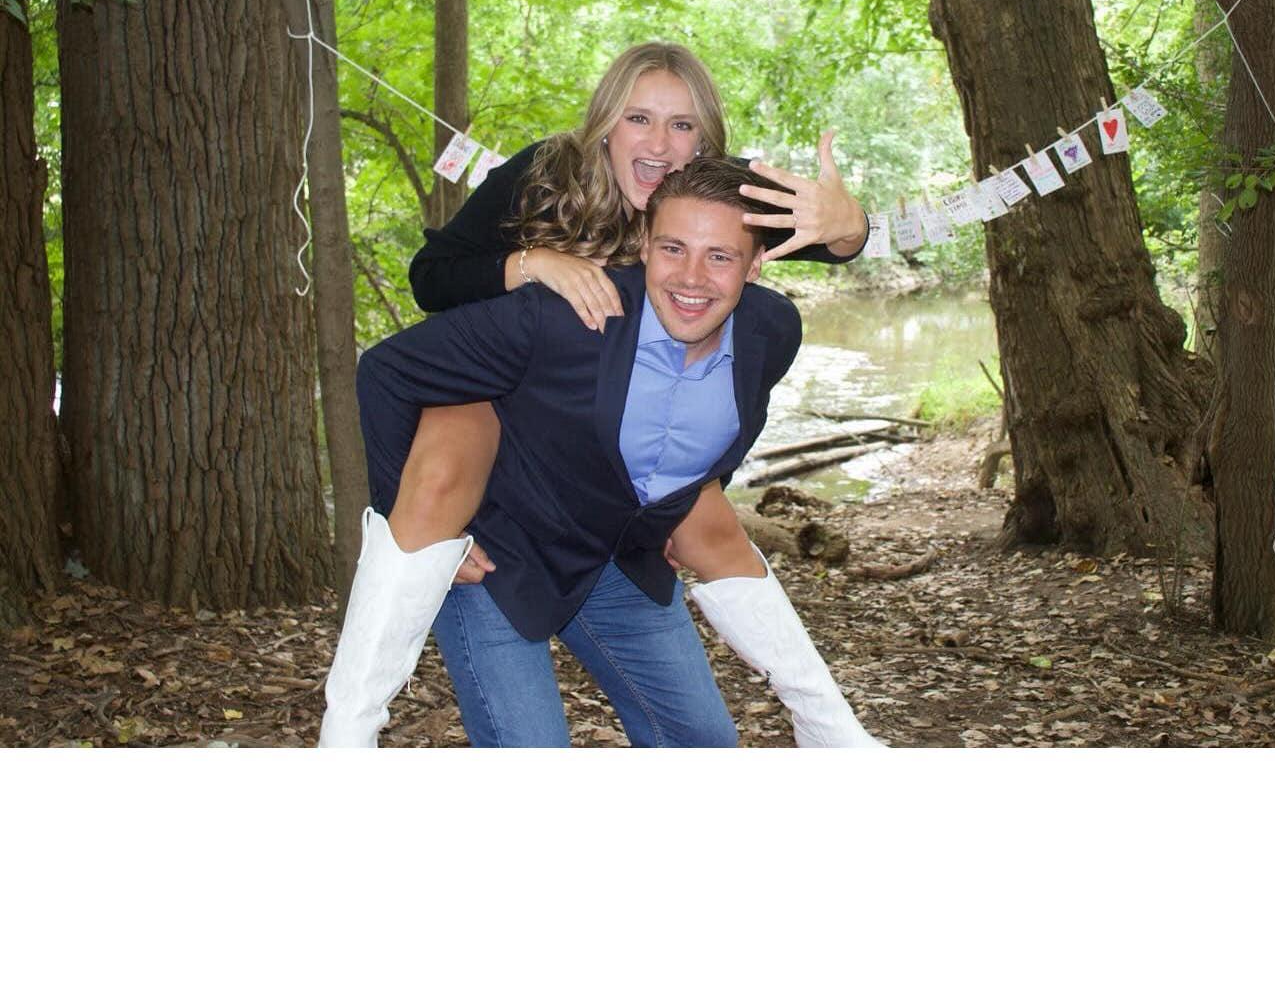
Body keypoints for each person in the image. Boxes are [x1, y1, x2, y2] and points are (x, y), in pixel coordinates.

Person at [319, 41, 875, 745]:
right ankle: (349, 732)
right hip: (499, 411)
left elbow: (822, 239)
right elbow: (431, 280)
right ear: (605, 124)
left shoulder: (710, 208)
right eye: (639, 118)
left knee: (705, 578)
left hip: (605, 474)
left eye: (682, 125)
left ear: (705, 142)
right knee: (441, 477)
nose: (660, 144)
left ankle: (833, 731)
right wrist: (532, 265)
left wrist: (850, 225)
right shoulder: (543, 175)